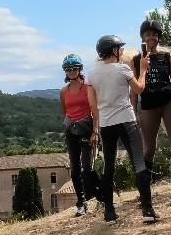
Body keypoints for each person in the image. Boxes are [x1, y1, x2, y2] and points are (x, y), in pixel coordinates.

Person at [87, 35, 158, 224]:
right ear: (113, 51)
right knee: (138, 163)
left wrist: (97, 124)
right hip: (126, 120)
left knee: (108, 167)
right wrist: (143, 69)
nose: (121, 52)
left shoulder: (92, 75)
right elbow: (140, 89)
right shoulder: (123, 69)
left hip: (106, 124)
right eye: (119, 49)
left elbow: (93, 105)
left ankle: (109, 213)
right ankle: (147, 210)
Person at [133, 19, 171, 205]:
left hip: (169, 102)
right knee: (149, 148)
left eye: (155, 34)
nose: (152, 37)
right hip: (149, 104)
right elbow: (134, 88)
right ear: (143, 37)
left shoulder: (167, 56)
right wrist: (134, 111)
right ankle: (144, 191)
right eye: (148, 34)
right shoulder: (137, 59)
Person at [59, 54, 99, 216]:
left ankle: (97, 194)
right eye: (68, 69)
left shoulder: (88, 87)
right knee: (75, 169)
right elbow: (65, 111)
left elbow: (95, 110)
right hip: (71, 131)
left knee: (87, 167)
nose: (71, 71)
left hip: (86, 129)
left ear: (80, 69)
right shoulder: (63, 91)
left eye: (74, 68)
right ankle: (81, 202)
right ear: (65, 72)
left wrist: (95, 131)